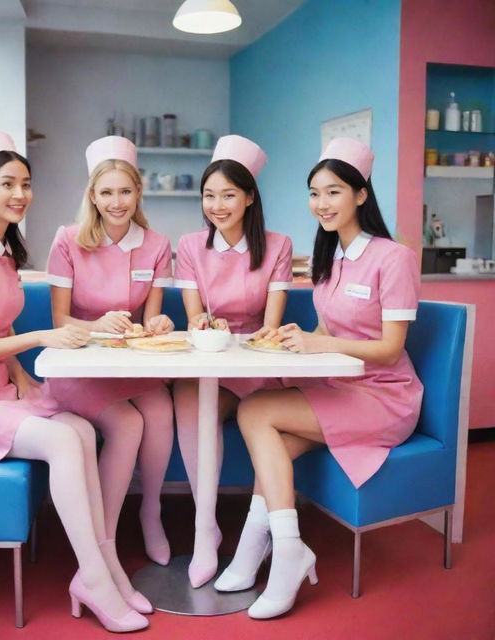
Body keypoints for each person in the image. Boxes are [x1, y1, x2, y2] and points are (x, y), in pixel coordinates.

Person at [0, 131, 148, 633]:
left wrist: (23, 378)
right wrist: (43, 337)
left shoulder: (2, 249)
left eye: (26, 183)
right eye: (7, 183)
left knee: (86, 431)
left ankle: (105, 562)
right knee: (65, 441)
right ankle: (92, 575)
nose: (20, 194)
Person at [232, 137, 423, 619]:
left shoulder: (393, 257)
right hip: (340, 389)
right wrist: (302, 335)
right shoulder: (329, 257)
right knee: (272, 444)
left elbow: (389, 348)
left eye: (334, 191)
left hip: (384, 397)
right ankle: (257, 549)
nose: (321, 203)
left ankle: (288, 551)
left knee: (254, 410)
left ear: (361, 194)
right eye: (314, 193)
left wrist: (323, 344)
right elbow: (330, 329)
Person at [45, 136, 175, 602]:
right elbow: (59, 321)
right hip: (79, 361)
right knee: (133, 422)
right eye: (106, 193)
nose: (116, 202)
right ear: (92, 196)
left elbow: (151, 321)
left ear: (138, 193)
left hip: (130, 362)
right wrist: (95, 323)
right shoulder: (67, 240)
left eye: (125, 192)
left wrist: (159, 322)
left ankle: (152, 511)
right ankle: (108, 541)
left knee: (160, 410)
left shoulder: (157, 245)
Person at [173, 135, 293, 588]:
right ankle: (206, 529)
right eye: (209, 195)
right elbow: (193, 319)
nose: (217, 205)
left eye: (227, 194)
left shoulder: (278, 246)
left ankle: (256, 531)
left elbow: (271, 325)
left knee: (255, 410)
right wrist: (203, 323)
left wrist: (255, 336)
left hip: (258, 365)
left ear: (248, 197)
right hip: (212, 364)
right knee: (188, 401)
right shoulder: (189, 246)